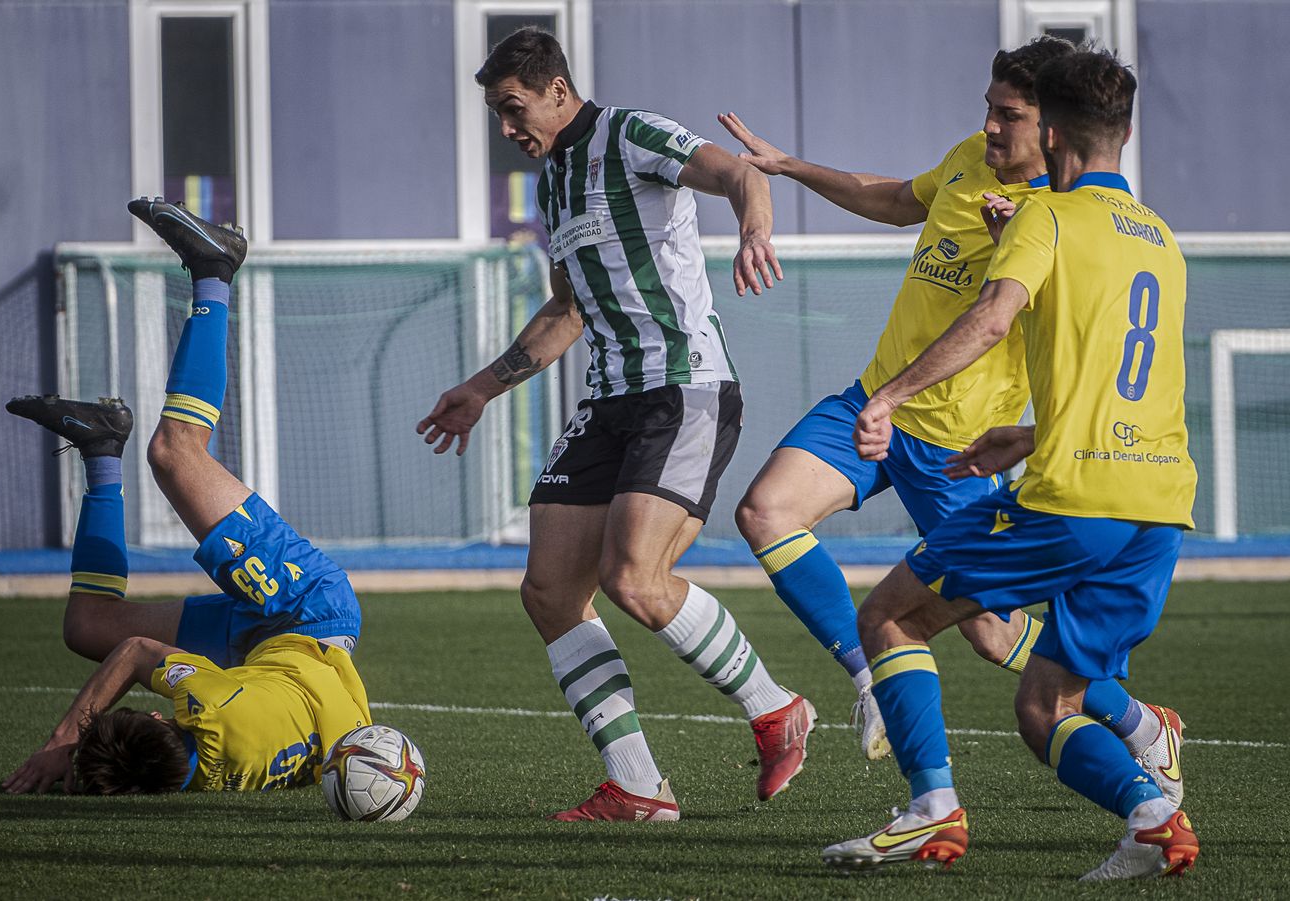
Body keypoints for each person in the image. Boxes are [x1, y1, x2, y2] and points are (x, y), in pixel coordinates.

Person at [722, 35, 1181, 796]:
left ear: (1053, 128)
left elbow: (1020, 325)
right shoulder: (971, 158)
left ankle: (1135, 721)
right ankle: (869, 674)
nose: (993, 127)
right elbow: (897, 197)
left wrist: (1015, 247)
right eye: (989, 110)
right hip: (876, 404)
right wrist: (792, 166)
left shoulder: (1061, 218)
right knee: (766, 510)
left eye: (1010, 115)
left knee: (991, 633)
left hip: (958, 445)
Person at [821, 49, 1200, 880]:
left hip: (1078, 499)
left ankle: (931, 809)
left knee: (890, 614)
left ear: (1053, 132)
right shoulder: (1162, 239)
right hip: (1159, 507)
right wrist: (1025, 436)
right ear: (1126, 134)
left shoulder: (1047, 216)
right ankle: (1153, 818)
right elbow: (1130, 380)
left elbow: (992, 318)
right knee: (1045, 703)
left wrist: (889, 395)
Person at [416, 27, 809, 822]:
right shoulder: (552, 184)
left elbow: (737, 173)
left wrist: (756, 227)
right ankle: (636, 782)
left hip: (684, 390)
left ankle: (776, 708)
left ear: (557, 90)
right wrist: (483, 388)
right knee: (551, 590)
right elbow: (565, 311)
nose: (505, 128)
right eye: (496, 112)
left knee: (634, 578)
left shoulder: (631, 133)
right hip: (608, 401)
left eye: (511, 108)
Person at [2, 199, 371, 795]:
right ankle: (214, 270)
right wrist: (63, 744)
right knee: (175, 453)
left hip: (262, 650)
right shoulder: (204, 705)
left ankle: (99, 447)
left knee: (86, 627)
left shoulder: (216, 777)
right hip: (307, 608)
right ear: (156, 718)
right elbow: (138, 653)